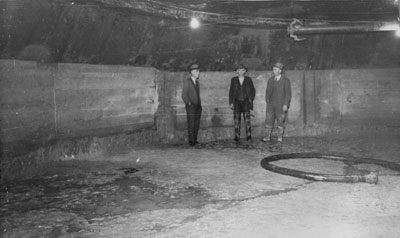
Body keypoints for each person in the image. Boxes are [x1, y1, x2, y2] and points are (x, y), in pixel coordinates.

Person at [262, 62, 291, 143]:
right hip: (271, 105)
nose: (273, 71)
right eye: (273, 69)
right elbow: (267, 92)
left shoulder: (285, 80)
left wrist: (285, 104)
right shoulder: (270, 80)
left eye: (275, 69)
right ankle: (267, 137)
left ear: (280, 71)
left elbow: (288, 94)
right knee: (268, 121)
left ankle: (279, 138)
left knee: (280, 121)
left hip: (281, 105)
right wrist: (267, 101)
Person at [229, 64, 256, 142]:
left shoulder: (248, 79)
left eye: (243, 70)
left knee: (247, 120)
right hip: (236, 102)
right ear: (237, 71)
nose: (241, 72)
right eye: (239, 70)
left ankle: (248, 136)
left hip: (246, 102)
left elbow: (253, 90)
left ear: (245, 71)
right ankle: (237, 136)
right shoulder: (233, 80)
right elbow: (231, 92)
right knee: (237, 120)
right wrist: (231, 102)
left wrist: (250, 99)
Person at [181, 63, 202, 146]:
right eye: (197, 71)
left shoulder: (197, 82)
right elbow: (183, 95)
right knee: (191, 124)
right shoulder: (187, 82)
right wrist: (189, 103)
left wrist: (199, 105)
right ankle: (191, 141)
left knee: (196, 123)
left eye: (198, 71)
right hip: (191, 107)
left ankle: (195, 139)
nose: (198, 73)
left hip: (198, 106)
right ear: (192, 72)